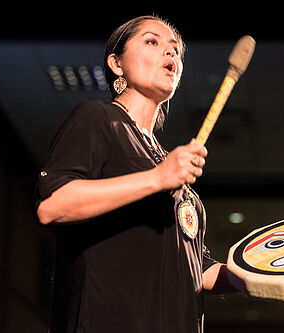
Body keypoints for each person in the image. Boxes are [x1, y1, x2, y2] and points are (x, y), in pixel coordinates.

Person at [35, 15, 238, 333]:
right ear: (116, 63)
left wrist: (258, 276)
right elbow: (53, 206)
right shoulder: (99, 120)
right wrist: (158, 178)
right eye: (152, 42)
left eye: (175, 49)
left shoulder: (165, 162)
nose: (170, 53)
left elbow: (196, 268)